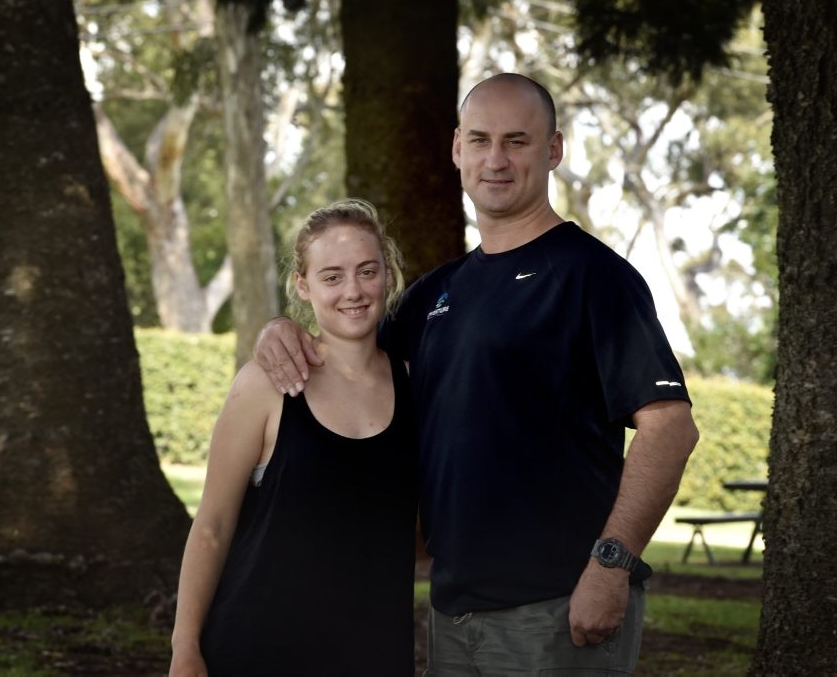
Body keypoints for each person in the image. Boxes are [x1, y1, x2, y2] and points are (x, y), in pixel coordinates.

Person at [255, 73, 699, 674]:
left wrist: (611, 566)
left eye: (517, 141)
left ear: (553, 151)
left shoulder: (595, 277)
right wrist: (281, 331)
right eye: (482, 140)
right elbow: (348, 362)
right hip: (452, 611)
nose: (496, 159)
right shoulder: (438, 292)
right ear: (457, 148)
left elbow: (670, 428)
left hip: (557, 606)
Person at [170, 199, 418, 676]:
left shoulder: (419, 388)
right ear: (302, 286)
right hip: (256, 649)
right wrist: (185, 648)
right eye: (331, 276)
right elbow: (213, 525)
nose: (353, 290)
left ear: (388, 275)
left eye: (368, 271)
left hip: (373, 655)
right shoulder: (266, 385)